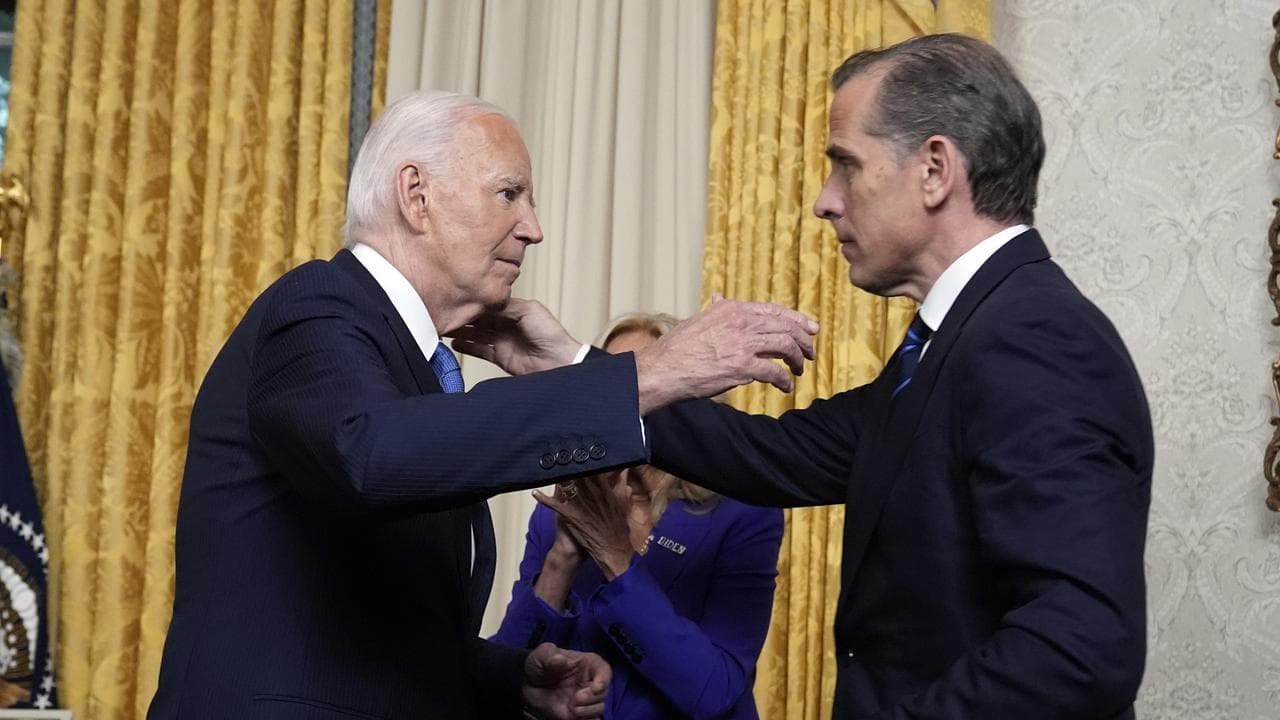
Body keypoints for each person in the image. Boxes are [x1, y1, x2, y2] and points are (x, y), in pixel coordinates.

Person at [466, 35, 1153, 719]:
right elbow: (771, 456)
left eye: (846, 166)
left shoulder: (1034, 339)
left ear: (936, 170)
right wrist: (572, 361)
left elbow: (1079, 650)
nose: (825, 201)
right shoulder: (963, 339)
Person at [147, 91, 818, 720]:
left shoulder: (412, 364)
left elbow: (380, 623)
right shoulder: (317, 305)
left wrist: (509, 677)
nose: (534, 227)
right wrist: (651, 372)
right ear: (417, 196)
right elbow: (371, 456)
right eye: (509, 194)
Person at [494, 313, 784, 720]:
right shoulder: (565, 503)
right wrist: (561, 559)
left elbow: (714, 690)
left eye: (639, 377)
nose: (620, 397)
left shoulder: (744, 511)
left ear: (689, 397)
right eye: (607, 379)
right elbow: (508, 671)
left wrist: (616, 558)